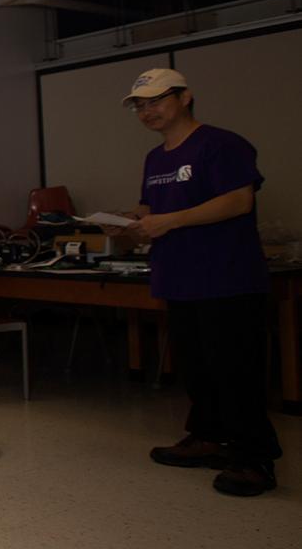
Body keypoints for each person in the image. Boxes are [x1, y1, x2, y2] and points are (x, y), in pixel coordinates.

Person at [114, 68, 280, 496]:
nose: (147, 111)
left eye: (155, 101)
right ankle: (207, 437)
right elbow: (150, 206)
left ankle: (253, 458)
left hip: (227, 277)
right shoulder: (156, 158)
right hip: (178, 277)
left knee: (236, 369)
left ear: (185, 97)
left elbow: (239, 200)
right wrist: (130, 223)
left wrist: (170, 220)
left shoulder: (221, 144)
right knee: (197, 368)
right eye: (140, 105)